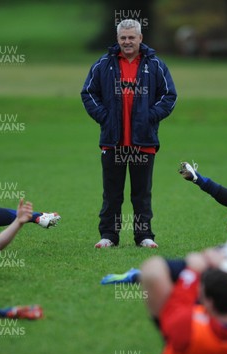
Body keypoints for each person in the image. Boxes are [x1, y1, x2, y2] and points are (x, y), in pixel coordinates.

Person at [81, 19, 177, 249]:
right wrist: (105, 118)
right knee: (112, 195)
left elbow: (169, 96)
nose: (127, 42)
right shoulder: (103, 64)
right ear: (118, 39)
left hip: (143, 142)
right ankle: (108, 236)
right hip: (112, 142)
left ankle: (144, 236)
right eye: (123, 38)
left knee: (141, 195)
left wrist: (149, 117)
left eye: (131, 37)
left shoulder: (155, 65)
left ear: (140, 38)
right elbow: (88, 94)